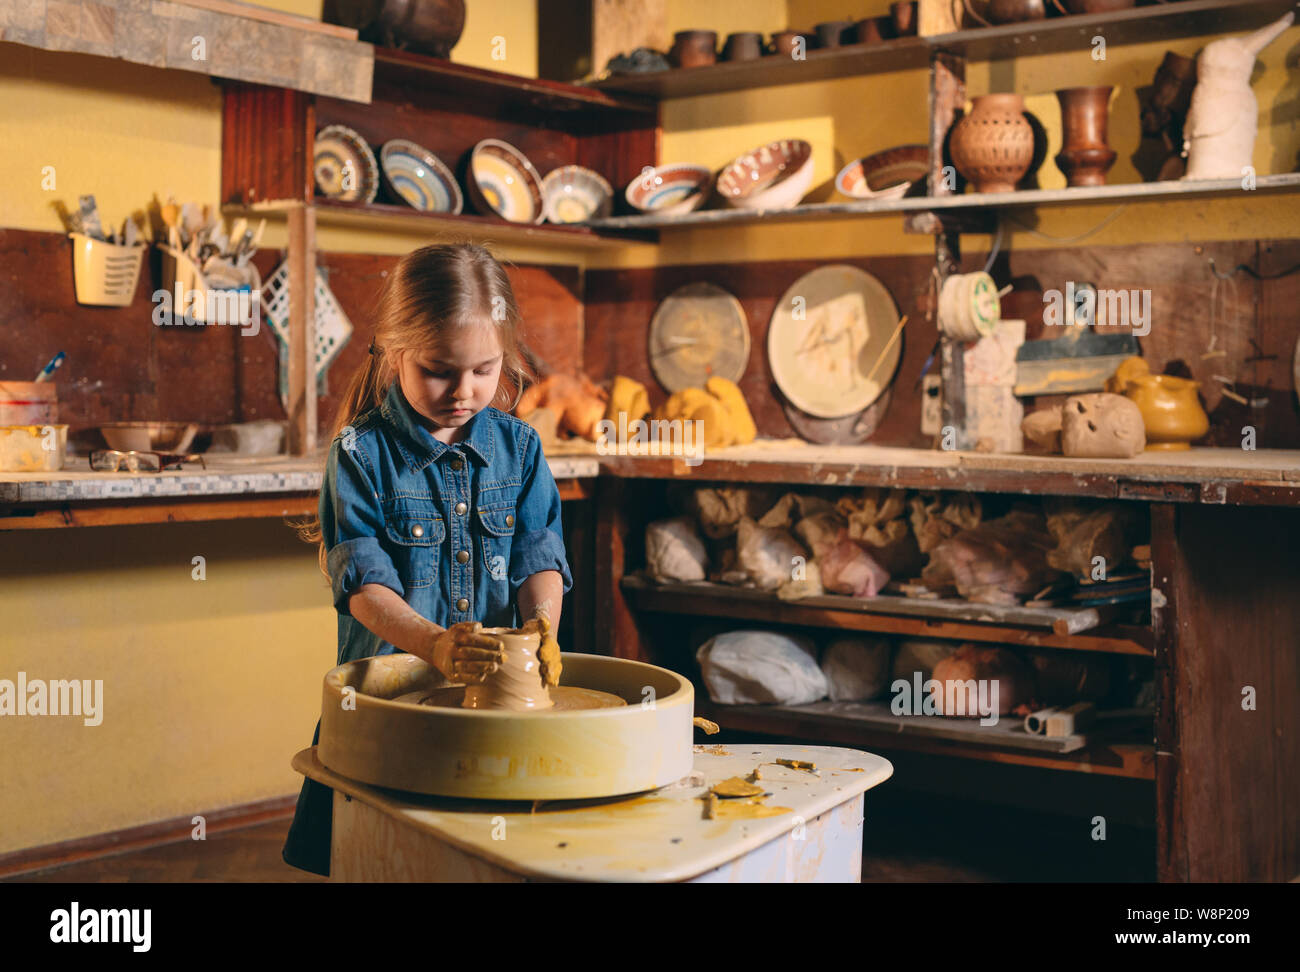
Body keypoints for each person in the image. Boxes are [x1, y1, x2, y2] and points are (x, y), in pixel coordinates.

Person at [282, 243, 572, 875]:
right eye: (440, 370)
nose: (464, 392)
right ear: (395, 351)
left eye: (484, 370)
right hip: (390, 706)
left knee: (481, 858)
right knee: (389, 858)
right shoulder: (360, 454)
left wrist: (543, 625)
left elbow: (538, 556)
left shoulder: (519, 447)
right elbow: (366, 589)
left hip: (495, 708)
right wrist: (438, 646)